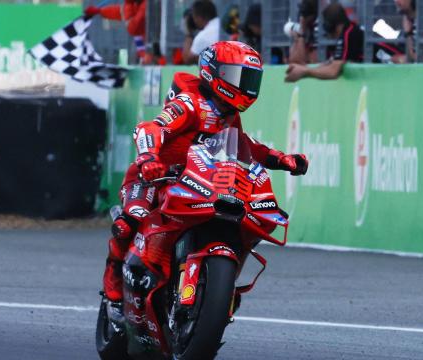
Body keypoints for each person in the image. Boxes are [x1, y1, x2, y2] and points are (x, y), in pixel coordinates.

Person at [102, 41, 309, 322]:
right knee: (130, 220)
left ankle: (211, 289)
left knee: (237, 216)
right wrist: (149, 157)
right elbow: (152, 127)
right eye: (239, 77)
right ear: (216, 73)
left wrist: (281, 159)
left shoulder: (229, 114)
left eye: (250, 79)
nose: (245, 85)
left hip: (197, 181)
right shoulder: (189, 102)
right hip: (154, 177)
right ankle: (113, 295)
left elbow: (245, 146)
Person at [285, 3, 363, 82]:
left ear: (330, 25)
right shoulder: (349, 31)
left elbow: (333, 72)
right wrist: (304, 70)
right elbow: (331, 64)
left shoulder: (349, 34)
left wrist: (305, 71)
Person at [287, 0, 319, 65]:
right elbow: (293, 59)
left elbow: (312, 61)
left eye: (304, 16)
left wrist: (301, 34)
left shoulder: (317, 29)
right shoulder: (301, 26)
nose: (302, 18)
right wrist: (300, 34)